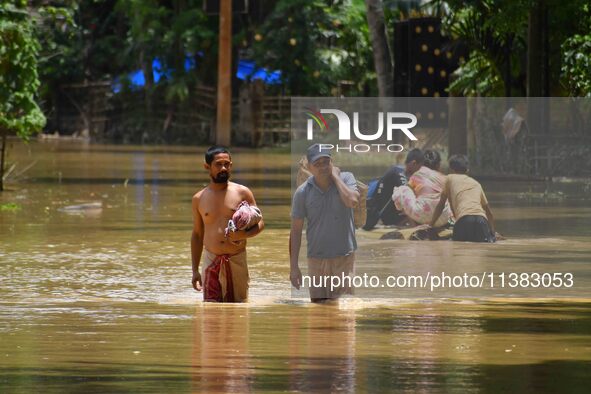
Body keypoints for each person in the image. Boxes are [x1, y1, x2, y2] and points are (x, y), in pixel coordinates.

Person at [191, 146, 264, 302]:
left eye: (227, 164)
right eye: (218, 164)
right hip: (211, 259)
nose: (223, 168)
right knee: (210, 311)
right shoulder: (198, 198)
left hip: (236, 258)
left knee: (238, 308)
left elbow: (260, 223)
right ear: (207, 166)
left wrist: (243, 234)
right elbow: (197, 235)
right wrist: (195, 271)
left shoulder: (243, 192)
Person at [290, 144, 360, 302]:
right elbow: (295, 231)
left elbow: (352, 201)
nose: (323, 167)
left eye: (326, 162)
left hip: (344, 258)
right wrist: (294, 267)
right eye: (317, 163)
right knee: (319, 313)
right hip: (316, 260)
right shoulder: (302, 192)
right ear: (309, 167)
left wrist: (335, 177)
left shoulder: (346, 178)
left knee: (345, 311)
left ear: (332, 163)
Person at [429, 154, 496, 242]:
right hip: (481, 221)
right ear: (467, 170)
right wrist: (492, 233)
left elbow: (441, 205)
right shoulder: (476, 184)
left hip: (463, 220)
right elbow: (489, 213)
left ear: (451, 169)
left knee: (457, 249)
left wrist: (431, 225)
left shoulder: (449, 178)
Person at [392, 149, 453, 227]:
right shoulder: (444, 178)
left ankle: (413, 226)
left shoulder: (417, 174)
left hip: (420, 215)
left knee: (402, 190)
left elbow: (410, 194)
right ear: (438, 165)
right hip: (443, 218)